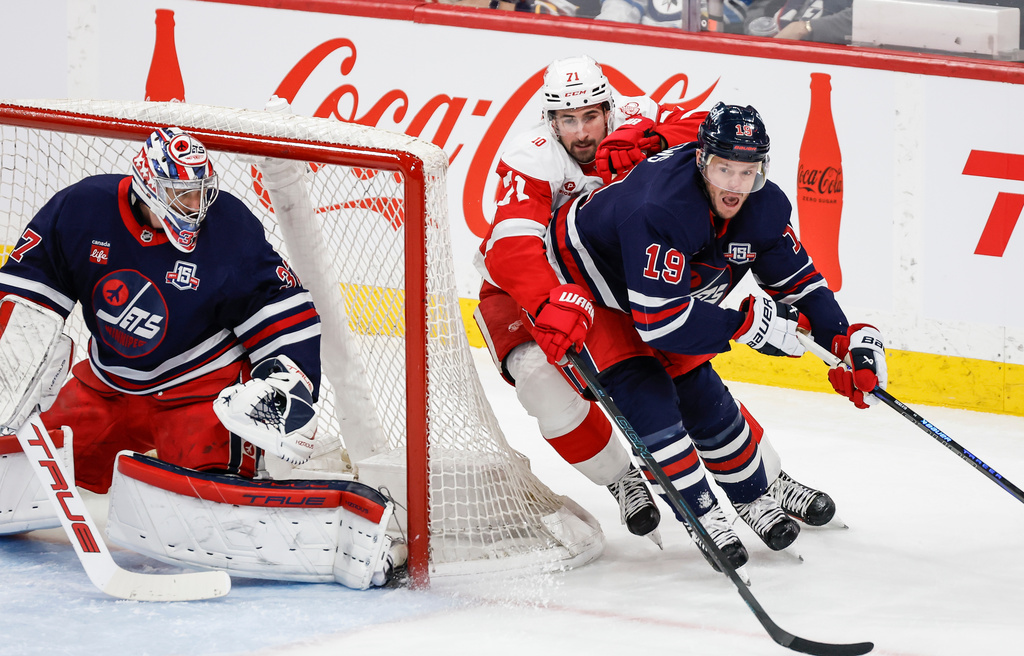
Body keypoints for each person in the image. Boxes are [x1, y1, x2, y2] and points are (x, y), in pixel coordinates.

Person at [0, 126, 399, 588]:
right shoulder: (82, 209)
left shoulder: (227, 226)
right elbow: (26, 290)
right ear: (147, 186)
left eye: (199, 193)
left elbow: (282, 308)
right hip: (106, 385)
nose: (194, 208)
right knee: (25, 455)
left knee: (209, 494)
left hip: (199, 392)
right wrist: (13, 360)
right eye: (181, 195)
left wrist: (287, 381)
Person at [474, 56, 834, 554]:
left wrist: (658, 137)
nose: (583, 133)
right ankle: (623, 479)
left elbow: (711, 134)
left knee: (684, 366)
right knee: (540, 378)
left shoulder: (636, 114)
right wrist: (546, 298)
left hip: (624, 273)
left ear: (609, 107)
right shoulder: (531, 157)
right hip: (535, 283)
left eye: (592, 116)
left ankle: (766, 483)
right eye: (568, 120)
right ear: (550, 119)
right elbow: (511, 246)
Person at [536, 102, 886, 570]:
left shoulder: (764, 205)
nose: (735, 185)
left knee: (699, 393)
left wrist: (845, 342)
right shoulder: (661, 207)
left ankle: (752, 494)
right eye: (724, 169)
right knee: (647, 394)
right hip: (588, 290)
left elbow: (801, 284)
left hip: (655, 296)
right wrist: (743, 325)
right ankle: (702, 513)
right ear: (702, 160)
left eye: (748, 171)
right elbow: (657, 323)